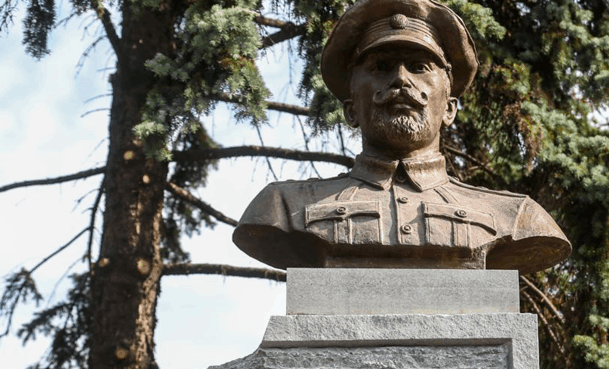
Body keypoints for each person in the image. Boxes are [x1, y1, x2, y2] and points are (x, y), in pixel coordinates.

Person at [232, 0, 570, 273]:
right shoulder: (283, 208)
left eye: (420, 66)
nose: (400, 80)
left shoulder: (516, 217)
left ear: (450, 108)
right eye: (381, 66)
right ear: (350, 109)